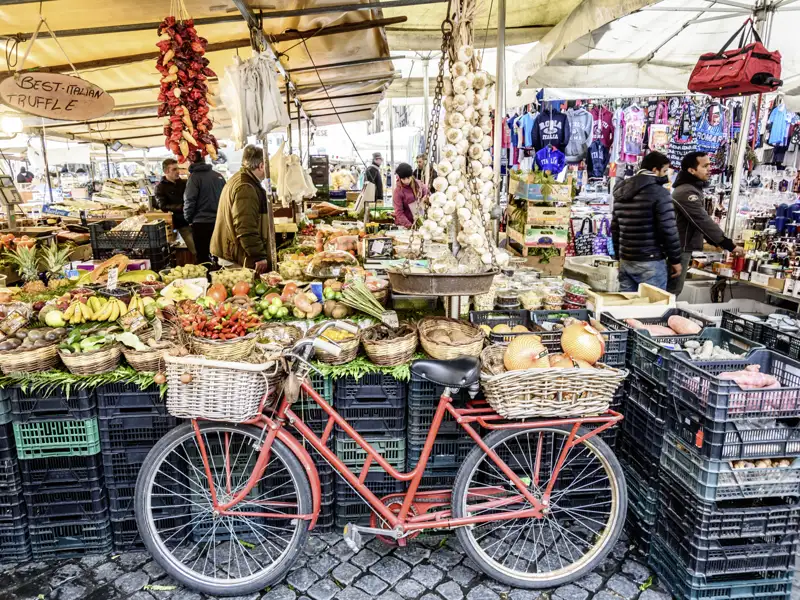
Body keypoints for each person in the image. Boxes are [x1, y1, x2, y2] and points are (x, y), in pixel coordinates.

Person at [668, 151, 743, 295]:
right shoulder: (686, 192)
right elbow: (702, 220)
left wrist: (714, 240)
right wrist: (728, 244)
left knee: (672, 291)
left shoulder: (691, 189)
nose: (709, 169)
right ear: (691, 170)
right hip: (678, 248)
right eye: (705, 166)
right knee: (671, 292)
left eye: (709, 165)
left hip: (681, 247)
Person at [611, 151, 682, 292]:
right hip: (651, 260)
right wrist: (675, 260)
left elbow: (615, 228)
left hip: (626, 259)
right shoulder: (660, 193)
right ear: (655, 170)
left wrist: (619, 256)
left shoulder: (621, 190)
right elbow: (668, 230)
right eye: (664, 171)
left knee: (627, 303)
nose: (666, 175)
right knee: (652, 303)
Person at [210, 145, 271, 273]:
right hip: (235, 255)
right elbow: (245, 226)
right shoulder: (246, 187)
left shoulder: (241, 179)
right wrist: (258, 255)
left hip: (231, 250)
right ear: (261, 166)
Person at [184, 151, 225, 266]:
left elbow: (189, 200)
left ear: (191, 160)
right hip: (219, 222)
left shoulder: (194, 178)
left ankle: (206, 276)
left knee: (203, 257)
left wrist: (188, 219)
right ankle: (219, 276)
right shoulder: (218, 176)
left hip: (201, 223)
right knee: (219, 255)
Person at [155, 158, 196, 257]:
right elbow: (163, 206)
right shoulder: (160, 187)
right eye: (174, 169)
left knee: (198, 248)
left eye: (177, 168)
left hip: (190, 221)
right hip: (176, 222)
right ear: (166, 171)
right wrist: (181, 207)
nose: (177, 171)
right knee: (193, 250)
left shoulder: (185, 183)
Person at [393, 162, 428, 228]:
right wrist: (409, 226)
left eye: (408, 178)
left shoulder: (419, 185)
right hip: (405, 226)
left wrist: (426, 199)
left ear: (411, 176)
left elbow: (427, 195)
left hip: (420, 222)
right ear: (400, 178)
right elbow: (399, 212)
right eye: (403, 179)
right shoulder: (398, 191)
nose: (406, 181)